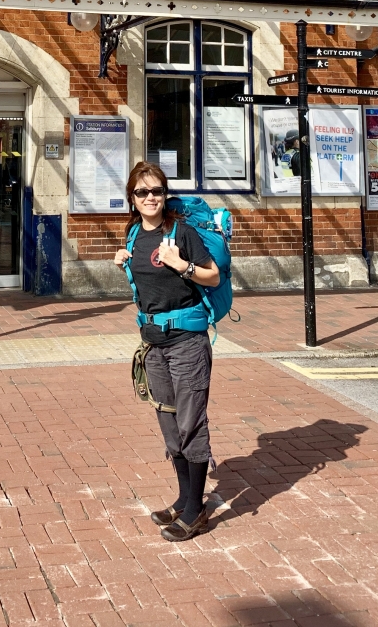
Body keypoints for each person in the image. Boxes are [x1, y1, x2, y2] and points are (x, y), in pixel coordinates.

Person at [114, 161, 220, 541]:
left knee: (191, 423)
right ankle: (183, 499)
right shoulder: (132, 235)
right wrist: (122, 261)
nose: (150, 198)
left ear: (165, 194)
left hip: (187, 343)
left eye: (156, 191)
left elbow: (213, 276)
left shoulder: (181, 231)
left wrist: (182, 265)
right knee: (169, 423)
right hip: (153, 344)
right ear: (132, 198)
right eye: (142, 192)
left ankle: (196, 511)